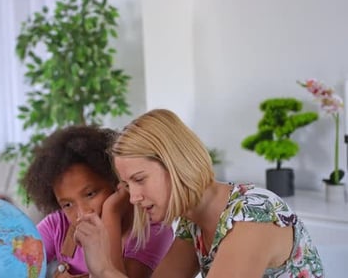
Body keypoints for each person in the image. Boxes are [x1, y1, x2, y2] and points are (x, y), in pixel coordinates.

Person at [74, 109, 324, 278]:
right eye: (128, 185)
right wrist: (104, 264)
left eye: (139, 179)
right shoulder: (192, 226)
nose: (133, 197)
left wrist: (105, 269)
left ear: (175, 163)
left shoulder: (253, 215)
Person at [22, 125, 173, 278]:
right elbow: (16, 261)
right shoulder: (59, 226)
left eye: (90, 194)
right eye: (67, 205)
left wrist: (111, 212)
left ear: (117, 181)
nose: (83, 213)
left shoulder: (151, 232)